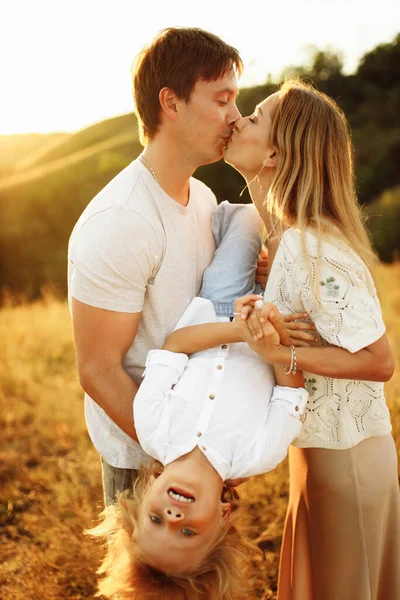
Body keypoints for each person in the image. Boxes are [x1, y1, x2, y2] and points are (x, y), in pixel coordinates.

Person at [224, 79, 399, 600]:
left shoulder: (308, 247)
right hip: (325, 460)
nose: (239, 120)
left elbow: (380, 359)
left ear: (277, 151)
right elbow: (286, 243)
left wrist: (284, 352)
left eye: (254, 117)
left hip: (345, 466)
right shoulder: (296, 238)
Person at [87, 201, 309, 600]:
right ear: (222, 518)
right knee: (289, 240)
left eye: (156, 520)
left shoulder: (153, 428)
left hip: (217, 305)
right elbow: (291, 391)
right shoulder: (258, 454)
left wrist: (241, 332)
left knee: (248, 220)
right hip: (279, 322)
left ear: (149, 487)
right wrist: (271, 337)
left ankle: (228, 213)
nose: (174, 517)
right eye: (187, 532)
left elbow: (176, 346)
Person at [67, 27, 244, 506]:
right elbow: (99, 370)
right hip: (144, 465)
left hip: (201, 451)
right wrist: (178, 455)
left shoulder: (203, 197)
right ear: (171, 102)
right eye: (222, 99)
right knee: (147, 584)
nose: (236, 116)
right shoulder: (121, 220)